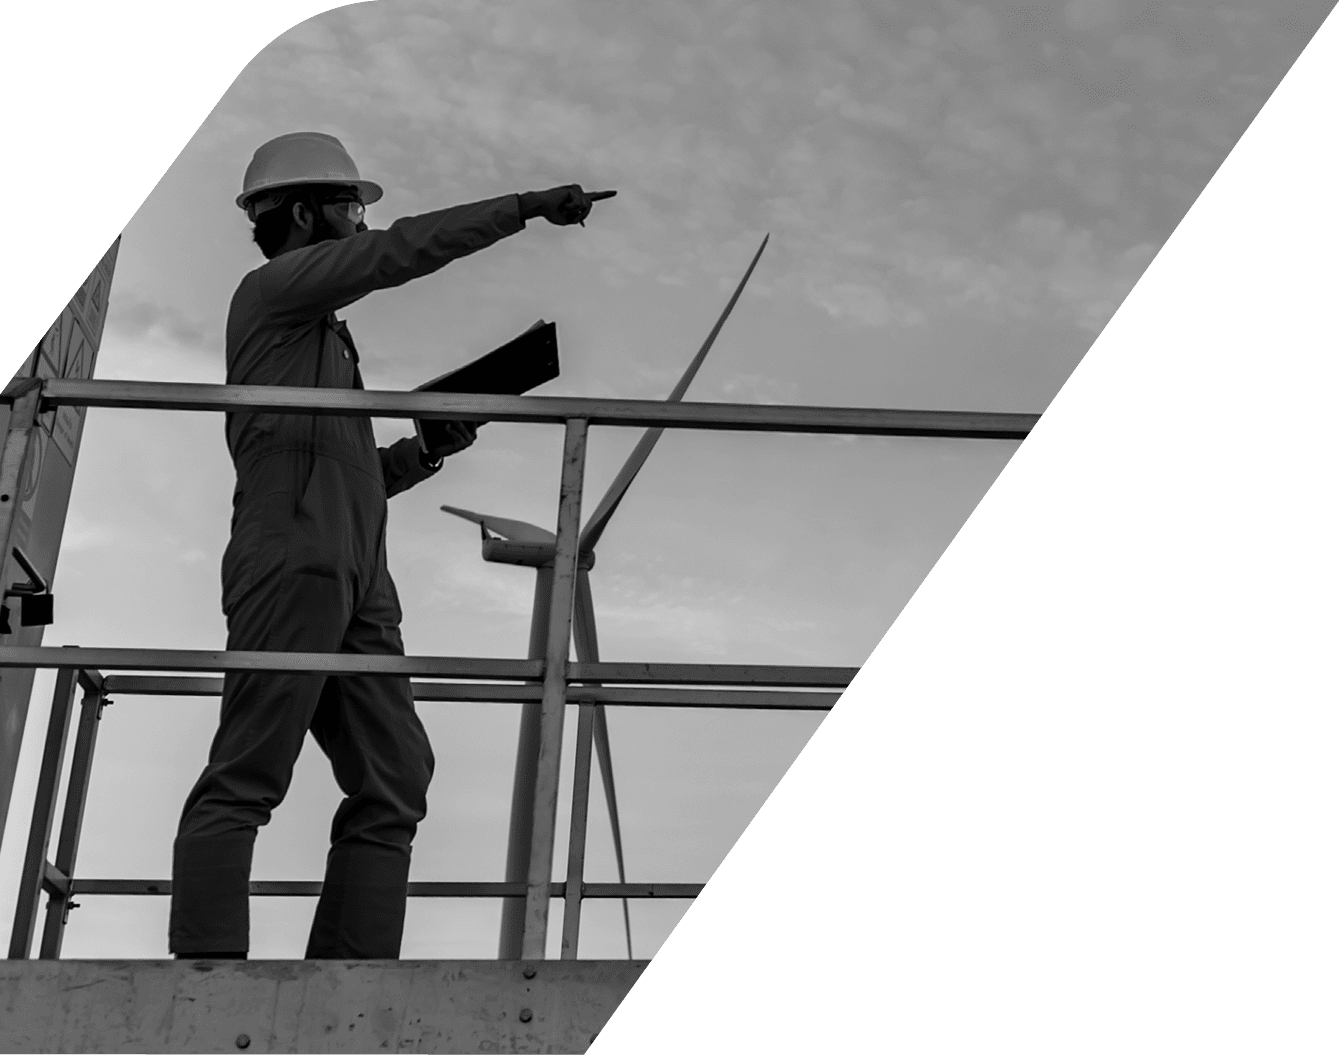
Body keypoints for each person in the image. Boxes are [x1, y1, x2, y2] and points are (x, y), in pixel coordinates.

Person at [168, 131, 611, 960]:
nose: (363, 224)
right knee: (248, 769)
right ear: (302, 213)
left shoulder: (323, 339)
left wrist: (426, 449)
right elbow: (401, 254)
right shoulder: (272, 292)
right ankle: (205, 975)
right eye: (349, 207)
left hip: (357, 572)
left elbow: (345, 473)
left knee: (395, 776)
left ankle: (348, 978)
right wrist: (522, 209)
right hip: (290, 556)